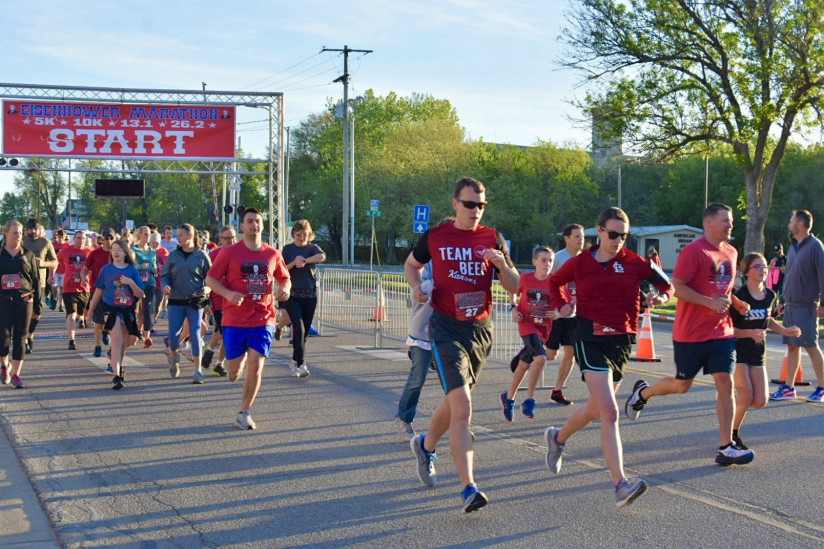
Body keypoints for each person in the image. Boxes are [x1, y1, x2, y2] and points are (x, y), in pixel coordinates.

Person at [543, 207, 672, 508]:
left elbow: (666, 284)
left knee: (596, 410)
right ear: (598, 231)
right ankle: (620, 484)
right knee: (611, 413)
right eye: (613, 234)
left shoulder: (635, 263)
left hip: (622, 342)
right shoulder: (581, 263)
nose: (618, 241)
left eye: (623, 236)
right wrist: (563, 305)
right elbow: (553, 283)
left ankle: (557, 437)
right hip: (589, 337)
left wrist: (661, 297)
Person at [405, 176, 519, 513]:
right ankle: (469, 487)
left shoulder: (491, 237)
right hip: (446, 329)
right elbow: (412, 265)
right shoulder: (436, 237)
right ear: (455, 203)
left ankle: (425, 446)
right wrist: (416, 287)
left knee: (455, 403)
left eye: (482, 205)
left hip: (481, 331)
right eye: (470, 204)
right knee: (464, 407)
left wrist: (500, 263)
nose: (477, 211)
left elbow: (515, 286)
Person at [625, 203, 755, 466]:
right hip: (690, 334)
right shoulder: (693, 252)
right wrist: (709, 303)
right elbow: (678, 287)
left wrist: (737, 302)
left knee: (726, 383)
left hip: (722, 332)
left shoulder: (731, 252)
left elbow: (722, 288)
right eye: (726, 221)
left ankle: (725, 446)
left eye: (731, 221)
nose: (731, 225)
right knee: (681, 386)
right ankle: (643, 393)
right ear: (709, 223)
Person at [206, 208, 291, 430]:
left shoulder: (272, 253)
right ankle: (235, 367)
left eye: (258, 221)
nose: (254, 225)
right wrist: (227, 293)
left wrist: (285, 289)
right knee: (234, 369)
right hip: (234, 320)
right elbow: (211, 279)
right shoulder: (229, 253)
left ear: (263, 225)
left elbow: (284, 277)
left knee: (257, 365)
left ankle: (244, 411)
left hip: (263, 318)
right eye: (249, 221)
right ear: (242, 226)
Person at [731, 252, 800, 449]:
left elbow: (767, 319)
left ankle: (729, 407)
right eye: (758, 267)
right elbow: (729, 329)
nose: (763, 270)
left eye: (764, 266)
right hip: (738, 350)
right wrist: (750, 333)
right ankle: (732, 433)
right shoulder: (740, 297)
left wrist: (784, 330)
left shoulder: (770, 295)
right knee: (746, 395)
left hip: (758, 351)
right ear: (747, 271)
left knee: (760, 400)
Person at [510, 224, 584, 406]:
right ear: (566, 238)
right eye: (577, 236)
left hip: (572, 313)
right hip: (551, 313)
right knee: (549, 355)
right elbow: (540, 281)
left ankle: (557, 391)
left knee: (571, 352)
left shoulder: (586, 259)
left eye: (582, 236)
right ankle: (527, 352)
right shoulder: (557, 258)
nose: (581, 240)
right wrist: (513, 307)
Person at [769, 210, 824, 402]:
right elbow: (790, 276)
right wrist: (782, 301)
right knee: (792, 346)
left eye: (791, 221)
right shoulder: (793, 247)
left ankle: (822, 388)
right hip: (791, 304)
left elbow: (822, 276)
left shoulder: (815, 246)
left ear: (800, 225)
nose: (788, 225)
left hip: (807, 305)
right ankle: (788, 388)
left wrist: (823, 304)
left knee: (811, 346)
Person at [501, 246, 557, 421]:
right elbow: (512, 290)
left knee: (524, 365)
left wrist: (559, 313)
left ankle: (508, 398)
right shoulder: (525, 278)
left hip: (543, 328)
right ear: (534, 262)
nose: (547, 264)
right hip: (526, 324)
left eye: (550, 261)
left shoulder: (555, 282)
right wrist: (513, 307)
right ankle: (529, 400)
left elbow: (566, 304)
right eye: (543, 260)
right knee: (540, 358)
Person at [86, 240, 144, 390]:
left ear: (125, 252)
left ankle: (118, 366)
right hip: (110, 308)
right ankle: (117, 376)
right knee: (117, 339)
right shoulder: (106, 270)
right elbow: (98, 290)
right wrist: (90, 311)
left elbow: (141, 294)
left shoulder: (132, 270)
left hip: (127, 309)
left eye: (119, 249)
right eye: (113, 250)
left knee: (124, 343)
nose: (116, 252)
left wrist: (130, 282)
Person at [160, 223, 212, 384]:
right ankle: (174, 356)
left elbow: (211, 279)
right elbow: (165, 276)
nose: (178, 238)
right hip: (175, 300)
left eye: (181, 235)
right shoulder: (173, 255)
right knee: (174, 337)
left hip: (195, 301)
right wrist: (165, 286)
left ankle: (198, 370)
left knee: (195, 334)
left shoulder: (202, 256)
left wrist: (207, 289)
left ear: (189, 236)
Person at [281, 220, 326, 377]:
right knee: (298, 328)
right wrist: (294, 262)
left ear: (310, 235)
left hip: (310, 294)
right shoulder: (287, 249)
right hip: (292, 294)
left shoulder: (312, 248)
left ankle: (294, 360)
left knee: (304, 332)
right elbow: (281, 268)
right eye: (298, 235)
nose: (301, 238)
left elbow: (322, 256)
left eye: (304, 235)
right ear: (293, 234)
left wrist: (306, 260)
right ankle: (301, 364)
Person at [0, 221, 41, 388]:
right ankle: (4, 365)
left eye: (20, 233)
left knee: (20, 337)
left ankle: (16, 374)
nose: (18, 236)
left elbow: (36, 280)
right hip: (3, 300)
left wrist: (38, 306)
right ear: (6, 234)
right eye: (14, 233)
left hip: (24, 300)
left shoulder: (28, 254)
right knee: (3, 337)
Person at [201, 225, 236, 378]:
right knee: (225, 333)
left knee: (227, 334)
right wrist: (206, 302)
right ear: (220, 240)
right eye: (226, 238)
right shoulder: (214, 255)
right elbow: (207, 279)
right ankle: (213, 354)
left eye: (232, 237)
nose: (230, 241)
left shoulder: (240, 253)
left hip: (236, 300)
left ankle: (217, 362)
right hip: (218, 299)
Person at [22, 219, 57, 354]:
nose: (32, 231)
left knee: (37, 313)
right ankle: (24, 338)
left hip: (40, 282)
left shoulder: (45, 242)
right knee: (23, 313)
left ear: (39, 228)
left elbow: (54, 261)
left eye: (35, 229)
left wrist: (43, 263)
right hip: (23, 282)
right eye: (30, 229)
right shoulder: (22, 241)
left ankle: (30, 334)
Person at [82, 228, 114, 357]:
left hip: (113, 292)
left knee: (111, 320)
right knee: (98, 320)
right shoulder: (94, 253)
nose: (109, 241)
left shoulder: (117, 254)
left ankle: (108, 336)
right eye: (106, 238)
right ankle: (97, 345)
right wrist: (84, 277)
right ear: (102, 239)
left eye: (111, 238)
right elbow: (84, 269)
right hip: (97, 290)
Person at [57, 231, 91, 350]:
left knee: (80, 314)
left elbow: (93, 268)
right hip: (68, 288)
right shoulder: (66, 250)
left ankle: (81, 318)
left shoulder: (89, 252)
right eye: (78, 238)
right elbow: (56, 261)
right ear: (73, 239)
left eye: (83, 238)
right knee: (71, 315)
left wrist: (88, 277)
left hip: (84, 288)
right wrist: (52, 274)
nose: (81, 240)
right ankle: (71, 340)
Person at [132, 226, 158, 348]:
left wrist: (154, 269)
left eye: (149, 234)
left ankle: (147, 337)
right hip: (137, 282)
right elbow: (130, 266)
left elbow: (154, 266)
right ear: (139, 235)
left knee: (146, 309)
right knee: (133, 308)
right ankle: (133, 331)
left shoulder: (152, 251)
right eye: (145, 234)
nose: (147, 237)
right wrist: (140, 267)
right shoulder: (134, 250)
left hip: (150, 282)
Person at [150, 231, 169, 321]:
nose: (154, 245)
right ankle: (149, 323)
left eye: (156, 243)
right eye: (153, 243)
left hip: (160, 281)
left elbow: (167, 265)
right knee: (151, 304)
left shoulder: (163, 251)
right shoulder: (147, 251)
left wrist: (162, 268)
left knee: (158, 303)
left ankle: (153, 320)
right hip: (149, 281)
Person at [49, 227, 67, 311]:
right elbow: (49, 257)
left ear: (65, 237)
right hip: (55, 269)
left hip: (64, 269)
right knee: (54, 286)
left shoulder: (67, 246)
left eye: (62, 237)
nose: (60, 238)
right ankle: (55, 298)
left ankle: (61, 305)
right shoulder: (53, 245)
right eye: (59, 237)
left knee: (62, 288)